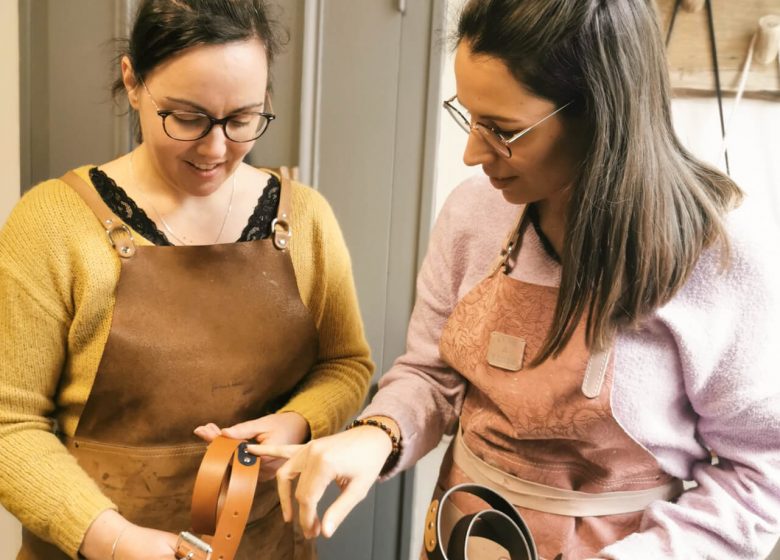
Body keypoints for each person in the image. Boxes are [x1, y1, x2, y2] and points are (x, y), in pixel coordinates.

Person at [250, 1, 780, 559]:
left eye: (502, 130)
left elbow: (760, 475)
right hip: (465, 535)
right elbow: (432, 375)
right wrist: (376, 434)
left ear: (600, 115)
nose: (473, 152)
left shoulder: (719, 254)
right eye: (470, 116)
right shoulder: (473, 213)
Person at [0, 1, 373, 559]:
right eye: (188, 117)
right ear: (133, 82)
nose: (216, 149)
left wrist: (299, 420)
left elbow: (346, 364)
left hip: (266, 544)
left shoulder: (305, 220)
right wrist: (115, 540)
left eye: (243, 118)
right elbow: (9, 422)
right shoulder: (52, 224)